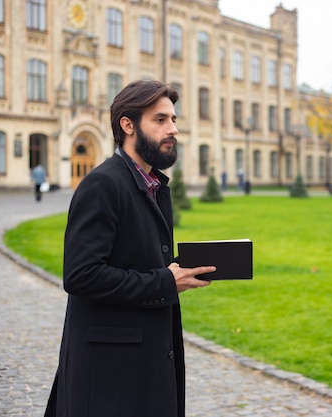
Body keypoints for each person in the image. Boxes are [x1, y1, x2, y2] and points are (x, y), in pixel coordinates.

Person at [44, 80, 215, 417]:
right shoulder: (103, 184)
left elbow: (139, 258)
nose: (173, 130)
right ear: (128, 125)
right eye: (161, 120)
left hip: (145, 363)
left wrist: (185, 267)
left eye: (174, 120)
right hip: (111, 375)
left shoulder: (153, 185)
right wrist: (166, 282)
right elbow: (81, 275)